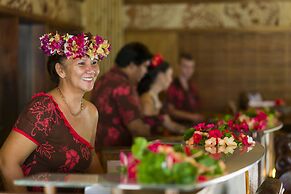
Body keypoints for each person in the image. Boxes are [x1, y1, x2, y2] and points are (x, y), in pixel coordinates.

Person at [0, 32, 110, 192]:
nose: (91, 69)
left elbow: (91, 160)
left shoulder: (91, 111)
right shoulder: (43, 109)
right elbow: (6, 160)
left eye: (94, 62)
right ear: (60, 70)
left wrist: (105, 190)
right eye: (81, 63)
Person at [91, 42, 151, 151]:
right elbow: (136, 128)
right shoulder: (123, 86)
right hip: (115, 153)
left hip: (98, 149)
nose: (146, 72)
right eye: (145, 66)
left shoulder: (104, 79)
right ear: (132, 65)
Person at [138, 54, 185, 135]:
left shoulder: (156, 97)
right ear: (160, 76)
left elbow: (170, 125)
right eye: (170, 75)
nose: (171, 80)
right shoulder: (146, 100)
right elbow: (144, 133)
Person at [166, 53, 204, 126]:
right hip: (177, 126)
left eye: (191, 67)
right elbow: (170, 111)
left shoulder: (192, 86)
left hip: (192, 125)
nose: (189, 70)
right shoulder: (172, 86)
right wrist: (191, 117)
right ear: (178, 66)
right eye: (185, 67)